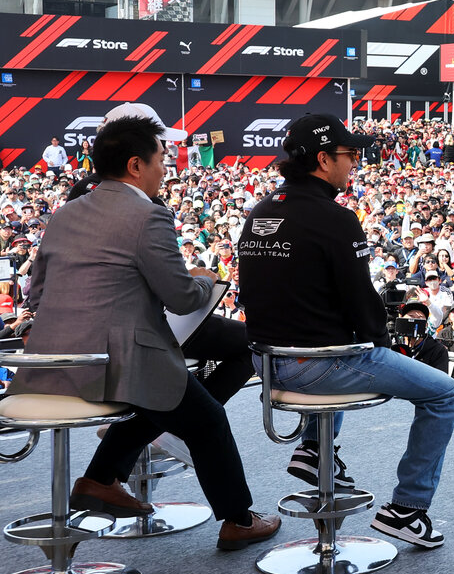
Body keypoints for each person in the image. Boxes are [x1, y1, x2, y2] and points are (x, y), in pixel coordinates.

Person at [12, 106, 279, 550]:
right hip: (117, 360)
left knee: (172, 403)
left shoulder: (65, 213)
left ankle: (101, 477)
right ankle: (238, 520)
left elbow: (36, 293)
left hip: (51, 362)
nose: (165, 169)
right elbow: (183, 298)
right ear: (136, 165)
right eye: (160, 160)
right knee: (207, 418)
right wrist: (204, 279)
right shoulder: (147, 214)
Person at [237, 115, 454, 549]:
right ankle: (407, 509)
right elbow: (363, 304)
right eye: (350, 154)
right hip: (316, 366)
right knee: (444, 393)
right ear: (323, 160)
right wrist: (385, 347)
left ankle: (313, 448)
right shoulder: (335, 218)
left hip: (264, 362)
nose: (356, 162)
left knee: (336, 337)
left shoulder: (261, 211)